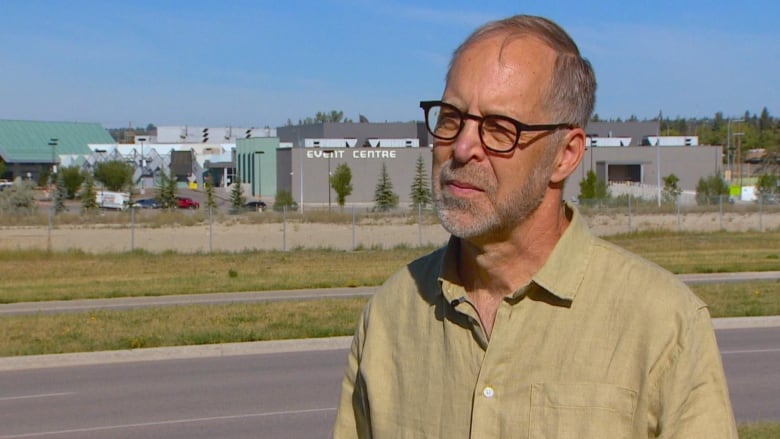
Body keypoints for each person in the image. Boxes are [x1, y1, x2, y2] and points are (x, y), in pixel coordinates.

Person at [333, 14, 737, 438]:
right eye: (451, 117)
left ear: (565, 155)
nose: (463, 147)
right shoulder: (389, 317)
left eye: (499, 128)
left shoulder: (663, 325)